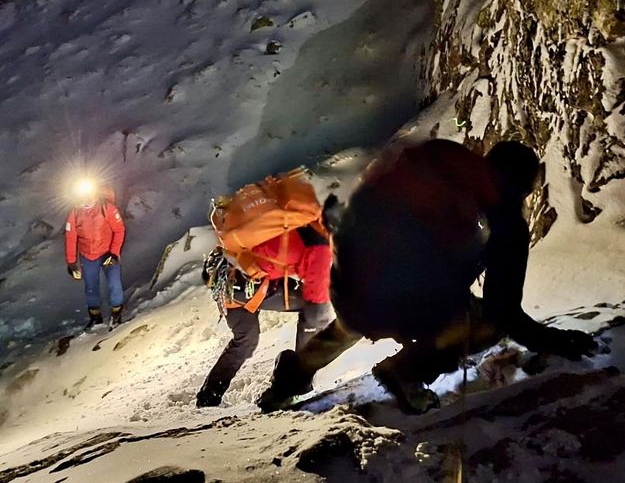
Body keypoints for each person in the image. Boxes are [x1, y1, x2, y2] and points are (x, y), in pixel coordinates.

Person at [257, 139, 597, 414]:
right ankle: (405, 373)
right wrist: (555, 341)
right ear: (524, 186)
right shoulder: (505, 221)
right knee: (481, 323)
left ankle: (288, 382)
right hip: (399, 301)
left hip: (349, 283)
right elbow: (504, 313)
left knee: (363, 311)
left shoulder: (444, 169)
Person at [195, 218, 335, 408]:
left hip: (227, 278)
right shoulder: (320, 249)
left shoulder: (300, 224)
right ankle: (295, 383)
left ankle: (208, 397)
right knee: (314, 310)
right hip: (247, 284)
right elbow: (317, 296)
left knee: (245, 340)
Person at [65, 186, 126, 330]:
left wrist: (114, 252)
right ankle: (95, 317)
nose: (86, 200)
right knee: (91, 287)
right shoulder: (75, 213)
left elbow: (119, 230)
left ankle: (117, 315)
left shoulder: (107, 208)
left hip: (108, 254)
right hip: (88, 256)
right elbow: (71, 237)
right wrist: (71, 262)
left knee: (114, 284)